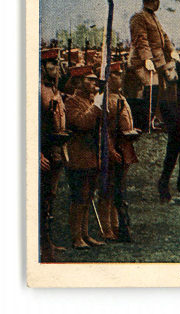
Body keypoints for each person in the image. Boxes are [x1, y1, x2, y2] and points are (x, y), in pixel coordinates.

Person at [97, 62, 140, 242]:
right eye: (115, 75)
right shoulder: (104, 99)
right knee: (107, 190)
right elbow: (103, 127)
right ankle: (107, 227)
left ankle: (117, 225)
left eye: (120, 74)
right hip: (113, 148)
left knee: (119, 190)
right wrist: (109, 148)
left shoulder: (120, 96)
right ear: (107, 78)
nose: (119, 77)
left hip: (124, 145)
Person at [65, 65, 105, 249]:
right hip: (78, 155)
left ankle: (85, 233)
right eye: (89, 79)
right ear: (78, 82)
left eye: (94, 80)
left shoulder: (90, 100)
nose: (93, 83)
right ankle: (76, 236)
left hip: (91, 154)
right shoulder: (71, 102)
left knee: (88, 196)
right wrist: (96, 107)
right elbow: (81, 123)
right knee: (79, 197)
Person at [127, 0, 180, 128]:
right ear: (154, 1)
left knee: (167, 87)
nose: (158, 3)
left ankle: (158, 118)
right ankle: (145, 122)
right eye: (157, 1)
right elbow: (140, 40)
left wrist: (172, 50)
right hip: (141, 61)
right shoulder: (139, 17)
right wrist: (147, 59)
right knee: (152, 86)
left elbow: (164, 36)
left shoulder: (153, 17)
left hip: (158, 61)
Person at [39, 48, 70, 261]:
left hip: (57, 148)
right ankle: (41, 243)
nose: (56, 69)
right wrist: (37, 153)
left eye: (57, 64)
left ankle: (47, 240)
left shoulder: (55, 90)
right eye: (51, 65)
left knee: (51, 195)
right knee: (41, 197)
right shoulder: (37, 91)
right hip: (44, 149)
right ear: (42, 67)